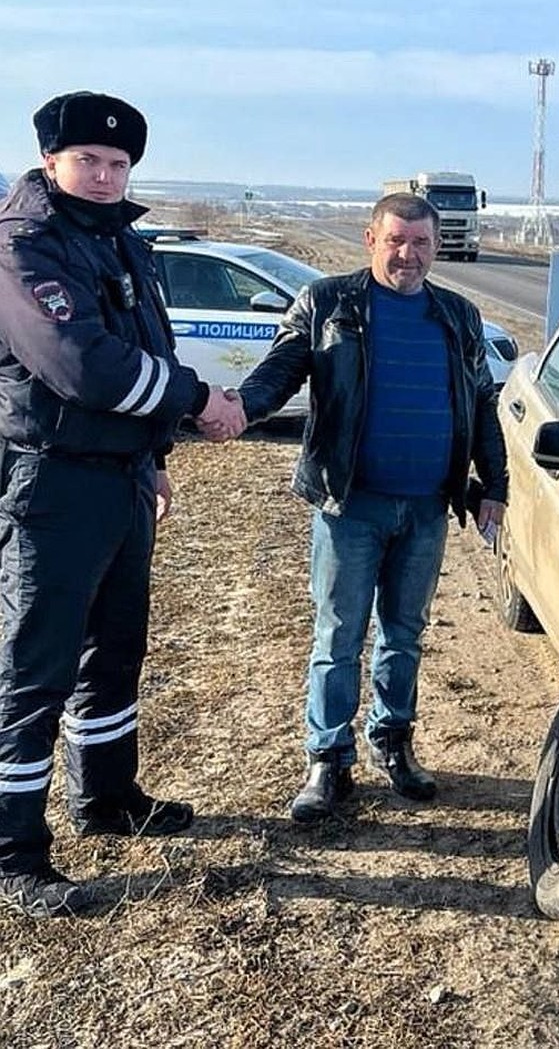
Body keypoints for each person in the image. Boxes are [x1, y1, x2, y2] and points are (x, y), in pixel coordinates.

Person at [0, 91, 246, 918]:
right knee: (33, 672)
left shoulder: (119, 240)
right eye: (89, 162)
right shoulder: (24, 246)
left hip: (122, 480)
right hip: (53, 483)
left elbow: (149, 344)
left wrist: (156, 457)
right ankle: (14, 853)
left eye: (118, 164)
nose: (105, 176)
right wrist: (197, 399)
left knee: (114, 651)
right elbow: (83, 367)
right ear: (51, 163)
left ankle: (105, 798)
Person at [238, 193, 507, 823]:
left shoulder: (459, 316)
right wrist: (239, 410)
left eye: (421, 244)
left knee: (404, 634)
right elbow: (278, 372)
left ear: (436, 247)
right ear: (371, 239)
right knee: (339, 636)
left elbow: (485, 403)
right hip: (349, 507)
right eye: (396, 241)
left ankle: (394, 742)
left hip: (425, 510)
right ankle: (327, 761)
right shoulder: (329, 305)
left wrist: (495, 484)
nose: (408, 255)